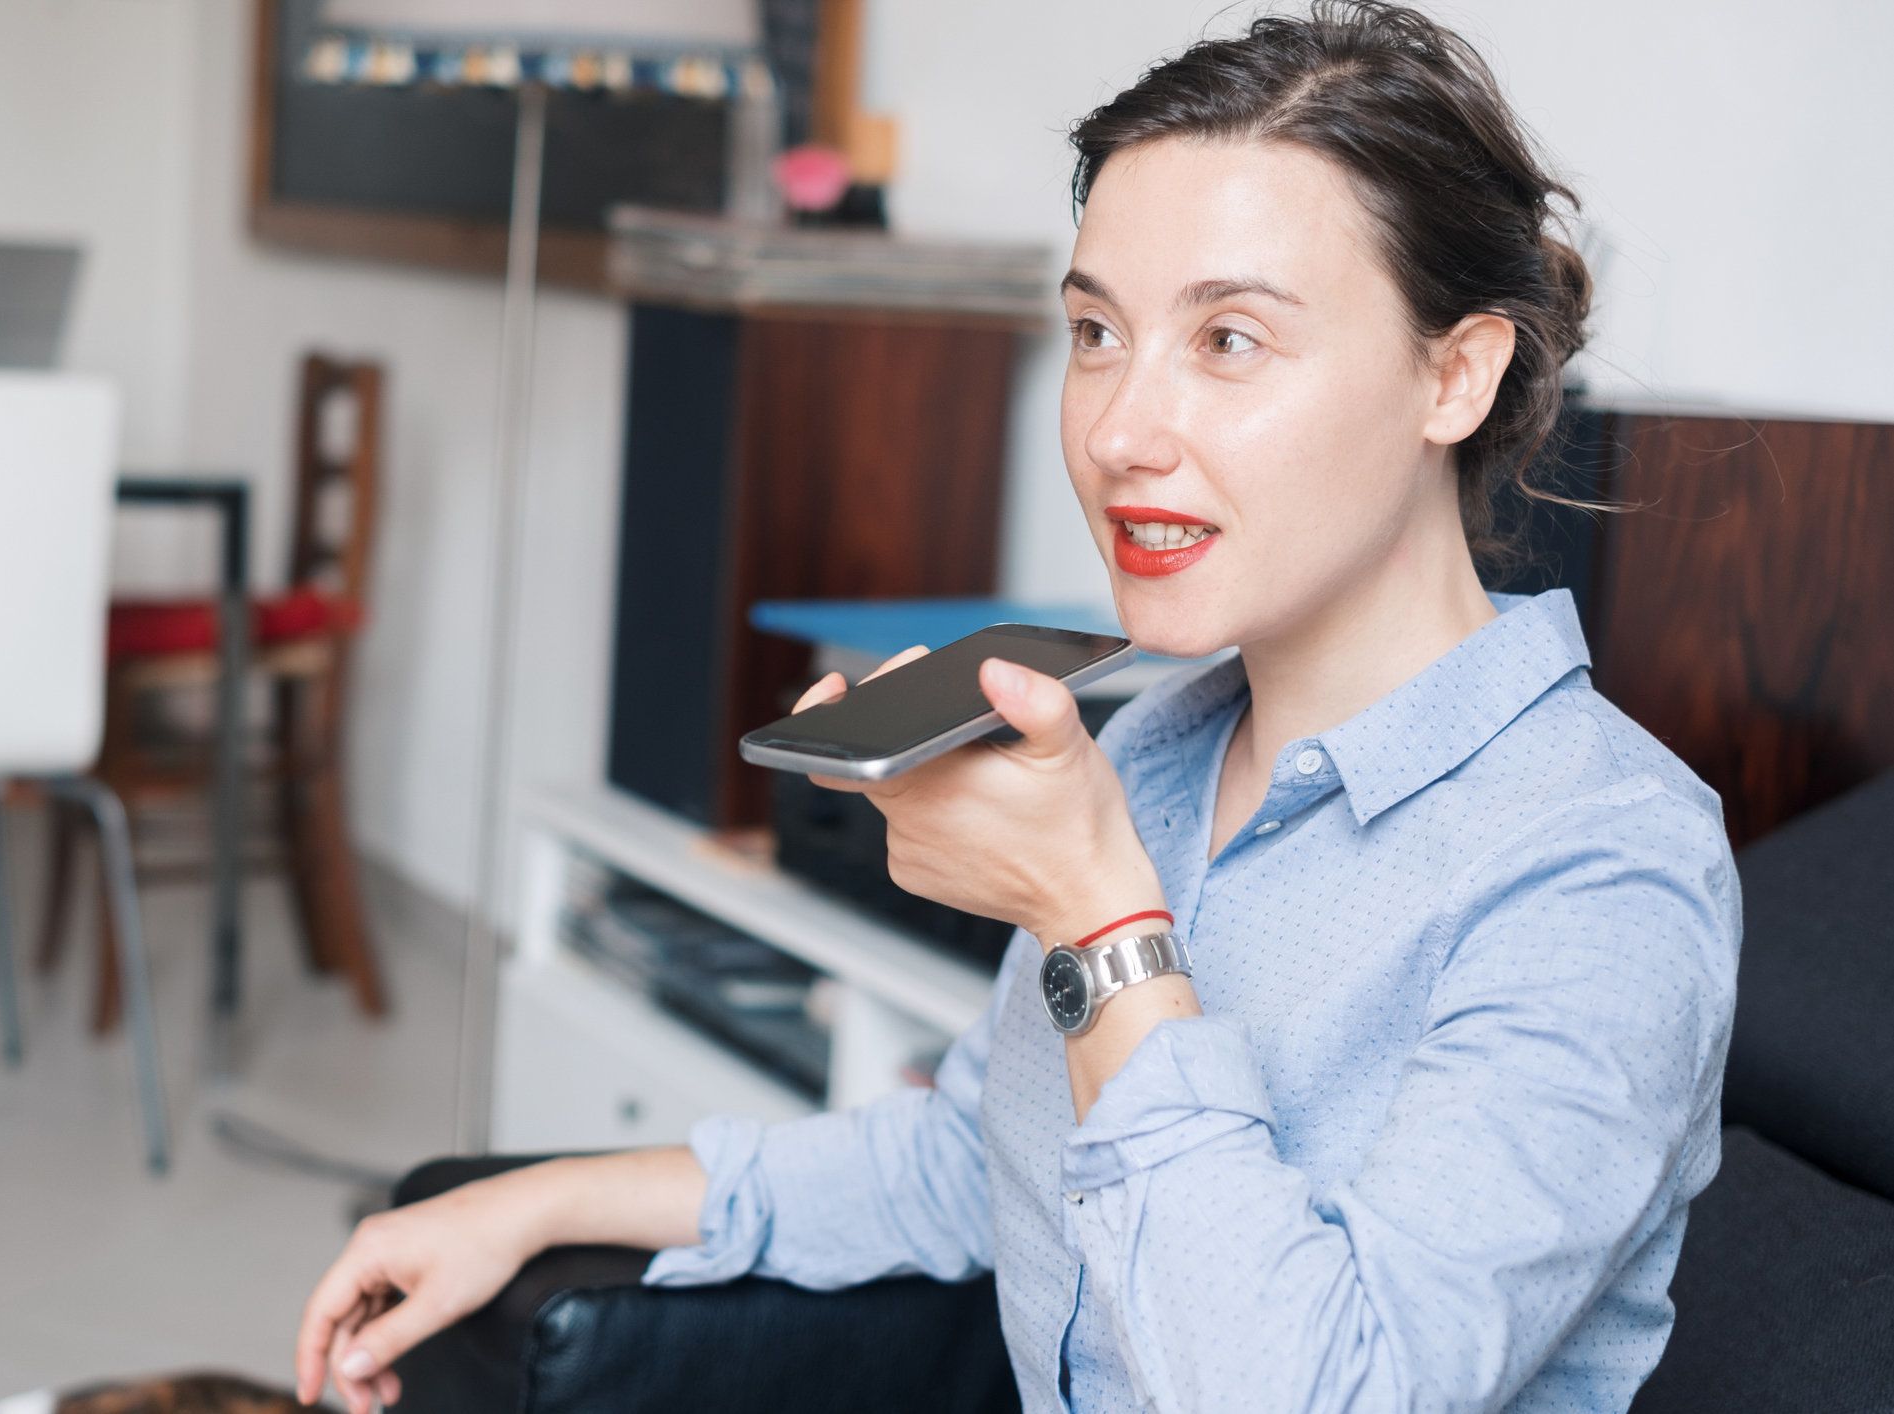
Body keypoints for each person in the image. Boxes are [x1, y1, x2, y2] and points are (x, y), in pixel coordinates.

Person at [295, 3, 1740, 1409]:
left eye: (1228, 339)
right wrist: (535, 1201)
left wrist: (1098, 919)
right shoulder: (1164, 742)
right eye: (1097, 332)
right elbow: (967, 1165)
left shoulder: (1601, 866)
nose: (1118, 430)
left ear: (1455, 374)